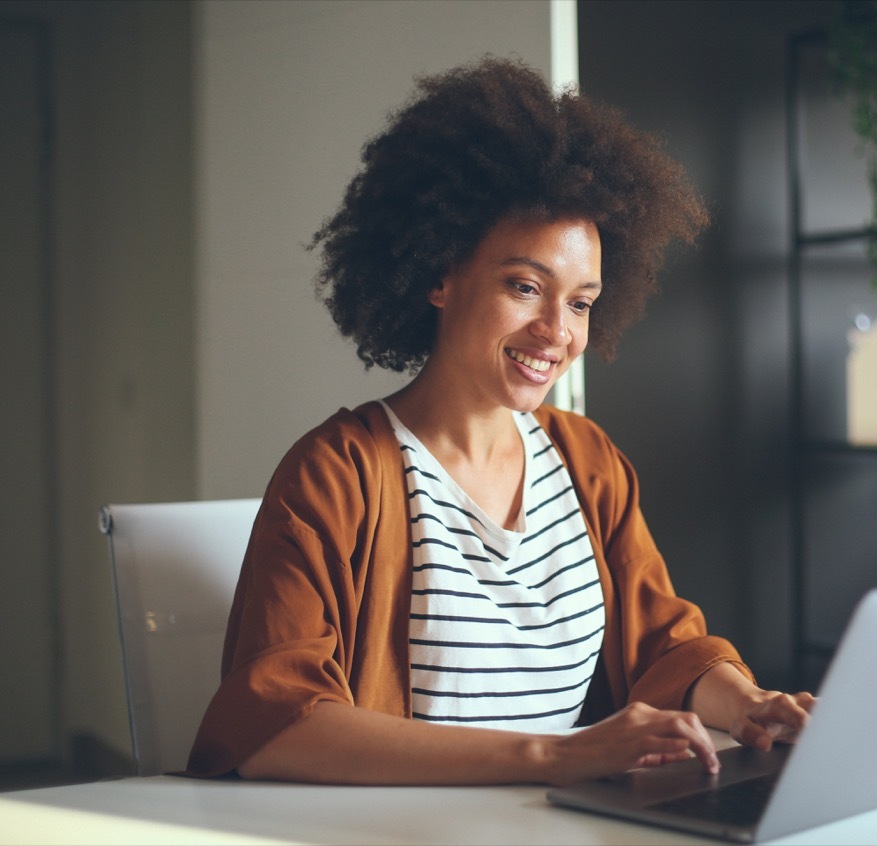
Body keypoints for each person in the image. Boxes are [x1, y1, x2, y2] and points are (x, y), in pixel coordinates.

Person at [187, 56, 813, 787]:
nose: (558, 331)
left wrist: (748, 705)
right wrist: (557, 756)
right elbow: (273, 724)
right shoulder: (337, 475)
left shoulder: (588, 461)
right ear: (438, 274)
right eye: (525, 286)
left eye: (581, 302)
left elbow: (663, 647)